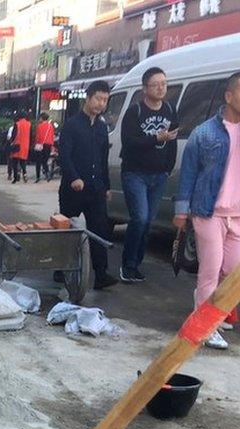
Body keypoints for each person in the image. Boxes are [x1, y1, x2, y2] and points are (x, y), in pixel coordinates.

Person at [174, 71, 240, 350]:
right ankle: (203, 327)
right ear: (228, 96)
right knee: (210, 271)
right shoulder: (205, 133)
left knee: (232, 270)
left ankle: (215, 311)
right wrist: (181, 210)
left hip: (237, 214)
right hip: (208, 212)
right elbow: (188, 173)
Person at [120, 67, 180, 283]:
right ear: (145, 89)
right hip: (135, 174)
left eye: (164, 83)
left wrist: (168, 166)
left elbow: (172, 140)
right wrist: (156, 138)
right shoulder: (135, 112)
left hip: (159, 175)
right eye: (156, 84)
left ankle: (136, 263)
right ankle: (128, 264)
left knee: (148, 221)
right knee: (140, 218)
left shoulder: (170, 109)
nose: (161, 88)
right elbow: (129, 143)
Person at [59, 80, 119, 290]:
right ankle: (61, 269)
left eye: (105, 100)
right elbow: (64, 156)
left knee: (99, 230)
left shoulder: (102, 127)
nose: (101, 103)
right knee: (66, 230)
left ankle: (101, 274)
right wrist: (74, 177)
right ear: (88, 97)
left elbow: (103, 159)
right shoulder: (72, 125)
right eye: (98, 99)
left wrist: (107, 186)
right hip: (72, 189)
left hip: (95, 189)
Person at [10, 111, 31, 183]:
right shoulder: (29, 124)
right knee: (23, 161)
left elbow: (14, 134)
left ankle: (16, 178)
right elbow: (31, 135)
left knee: (15, 162)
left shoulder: (17, 124)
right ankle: (24, 174)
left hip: (17, 145)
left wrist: (11, 142)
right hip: (25, 145)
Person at [33, 112, 55, 182]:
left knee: (38, 161)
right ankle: (47, 173)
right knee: (45, 161)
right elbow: (52, 136)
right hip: (48, 145)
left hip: (40, 145)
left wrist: (35, 144)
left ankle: (38, 177)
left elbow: (38, 137)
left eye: (40, 118)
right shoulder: (50, 126)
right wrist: (52, 145)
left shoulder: (39, 126)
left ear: (42, 118)